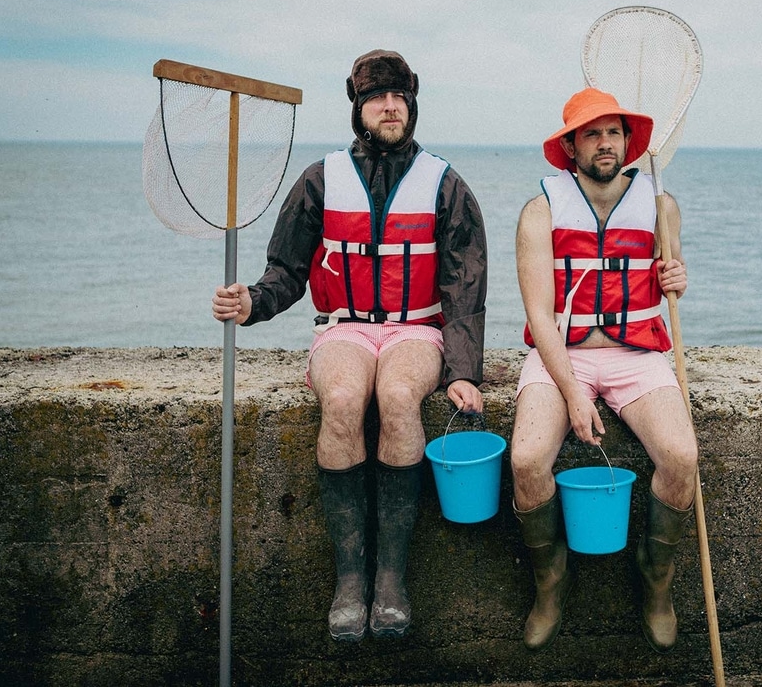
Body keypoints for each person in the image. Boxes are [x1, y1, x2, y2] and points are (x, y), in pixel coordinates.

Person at [211, 50, 487, 643]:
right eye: (376, 98)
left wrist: (464, 371)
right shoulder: (320, 178)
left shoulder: (444, 184)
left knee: (398, 397)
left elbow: (465, 287)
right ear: (359, 108)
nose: (389, 107)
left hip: (417, 329)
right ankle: (349, 580)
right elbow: (285, 270)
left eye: (399, 98)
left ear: (411, 105)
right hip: (344, 326)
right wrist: (252, 303)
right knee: (340, 400)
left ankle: (390, 578)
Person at [510, 87, 698, 653]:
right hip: (560, 355)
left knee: (682, 458)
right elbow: (539, 317)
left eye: (614, 132)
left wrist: (677, 280)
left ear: (627, 140)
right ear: (570, 146)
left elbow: (671, 276)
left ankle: (656, 579)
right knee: (525, 461)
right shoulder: (540, 209)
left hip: (638, 355)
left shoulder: (661, 205)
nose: (605, 143)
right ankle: (550, 580)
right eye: (592, 134)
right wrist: (571, 392)